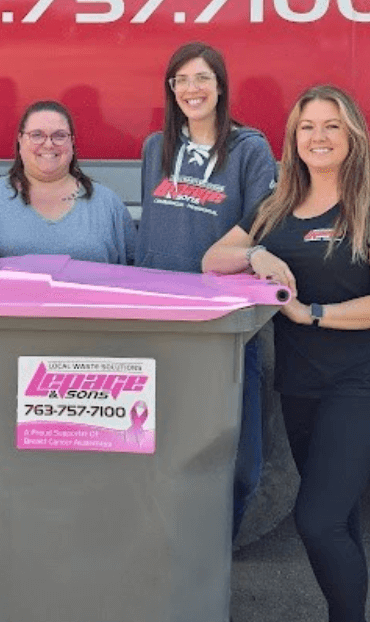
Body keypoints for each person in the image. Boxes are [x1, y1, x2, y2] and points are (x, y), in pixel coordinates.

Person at [203, 85, 370, 622]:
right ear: (293, 138)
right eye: (306, 127)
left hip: (363, 384)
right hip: (302, 385)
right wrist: (258, 253)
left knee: (317, 520)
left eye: (331, 126)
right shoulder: (277, 205)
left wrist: (310, 312)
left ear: (353, 136)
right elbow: (214, 261)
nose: (318, 137)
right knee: (338, 521)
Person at [137, 41, 277, 538]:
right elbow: (152, 231)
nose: (191, 90)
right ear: (171, 90)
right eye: (181, 81)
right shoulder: (156, 147)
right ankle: (166, 546)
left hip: (226, 329)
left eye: (202, 79)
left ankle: (216, 549)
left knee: (238, 462)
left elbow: (263, 220)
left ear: (220, 86)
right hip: (159, 325)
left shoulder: (249, 149)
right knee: (161, 448)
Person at [0, 99, 135, 264]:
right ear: (20, 140)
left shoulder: (107, 204)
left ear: (72, 143)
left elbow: (135, 274)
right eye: (37, 135)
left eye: (59, 136)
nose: (48, 144)